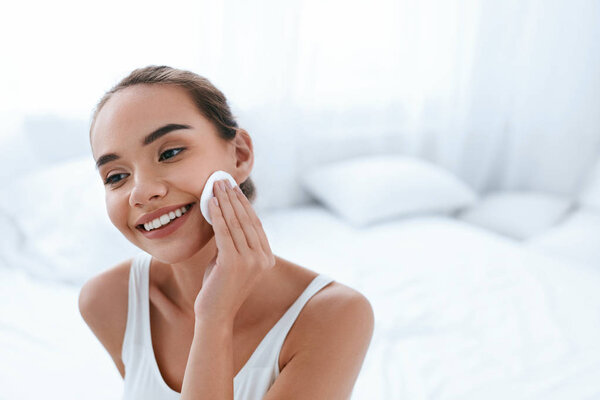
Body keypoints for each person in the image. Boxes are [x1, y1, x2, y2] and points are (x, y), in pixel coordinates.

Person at [78, 65, 374, 400]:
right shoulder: (108, 301)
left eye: (170, 153)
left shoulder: (335, 316)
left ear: (240, 154)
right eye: (116, 176)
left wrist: (215, 317)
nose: (141, 192)